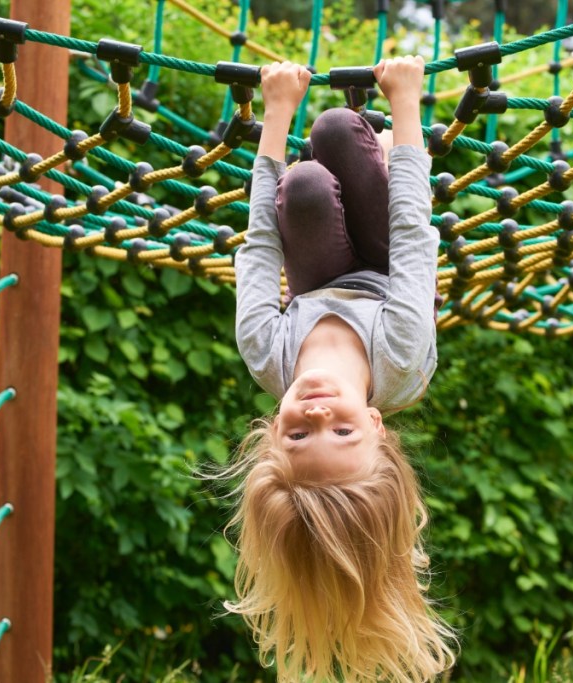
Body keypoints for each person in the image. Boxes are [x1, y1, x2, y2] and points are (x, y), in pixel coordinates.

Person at [227, 56, 455, 682]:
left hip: (314, 273)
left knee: (300, 186)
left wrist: (273, 117)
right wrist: (408, 106)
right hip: (389, 266)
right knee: (332, 128)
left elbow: (258, 246)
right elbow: (413, 235)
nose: (318, 413)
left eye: (299, 435)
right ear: (378, 425)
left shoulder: (266, 351)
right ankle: (374, 153)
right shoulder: (402, 357)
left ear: (275, 430)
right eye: (344, 433)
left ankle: (345, 161)